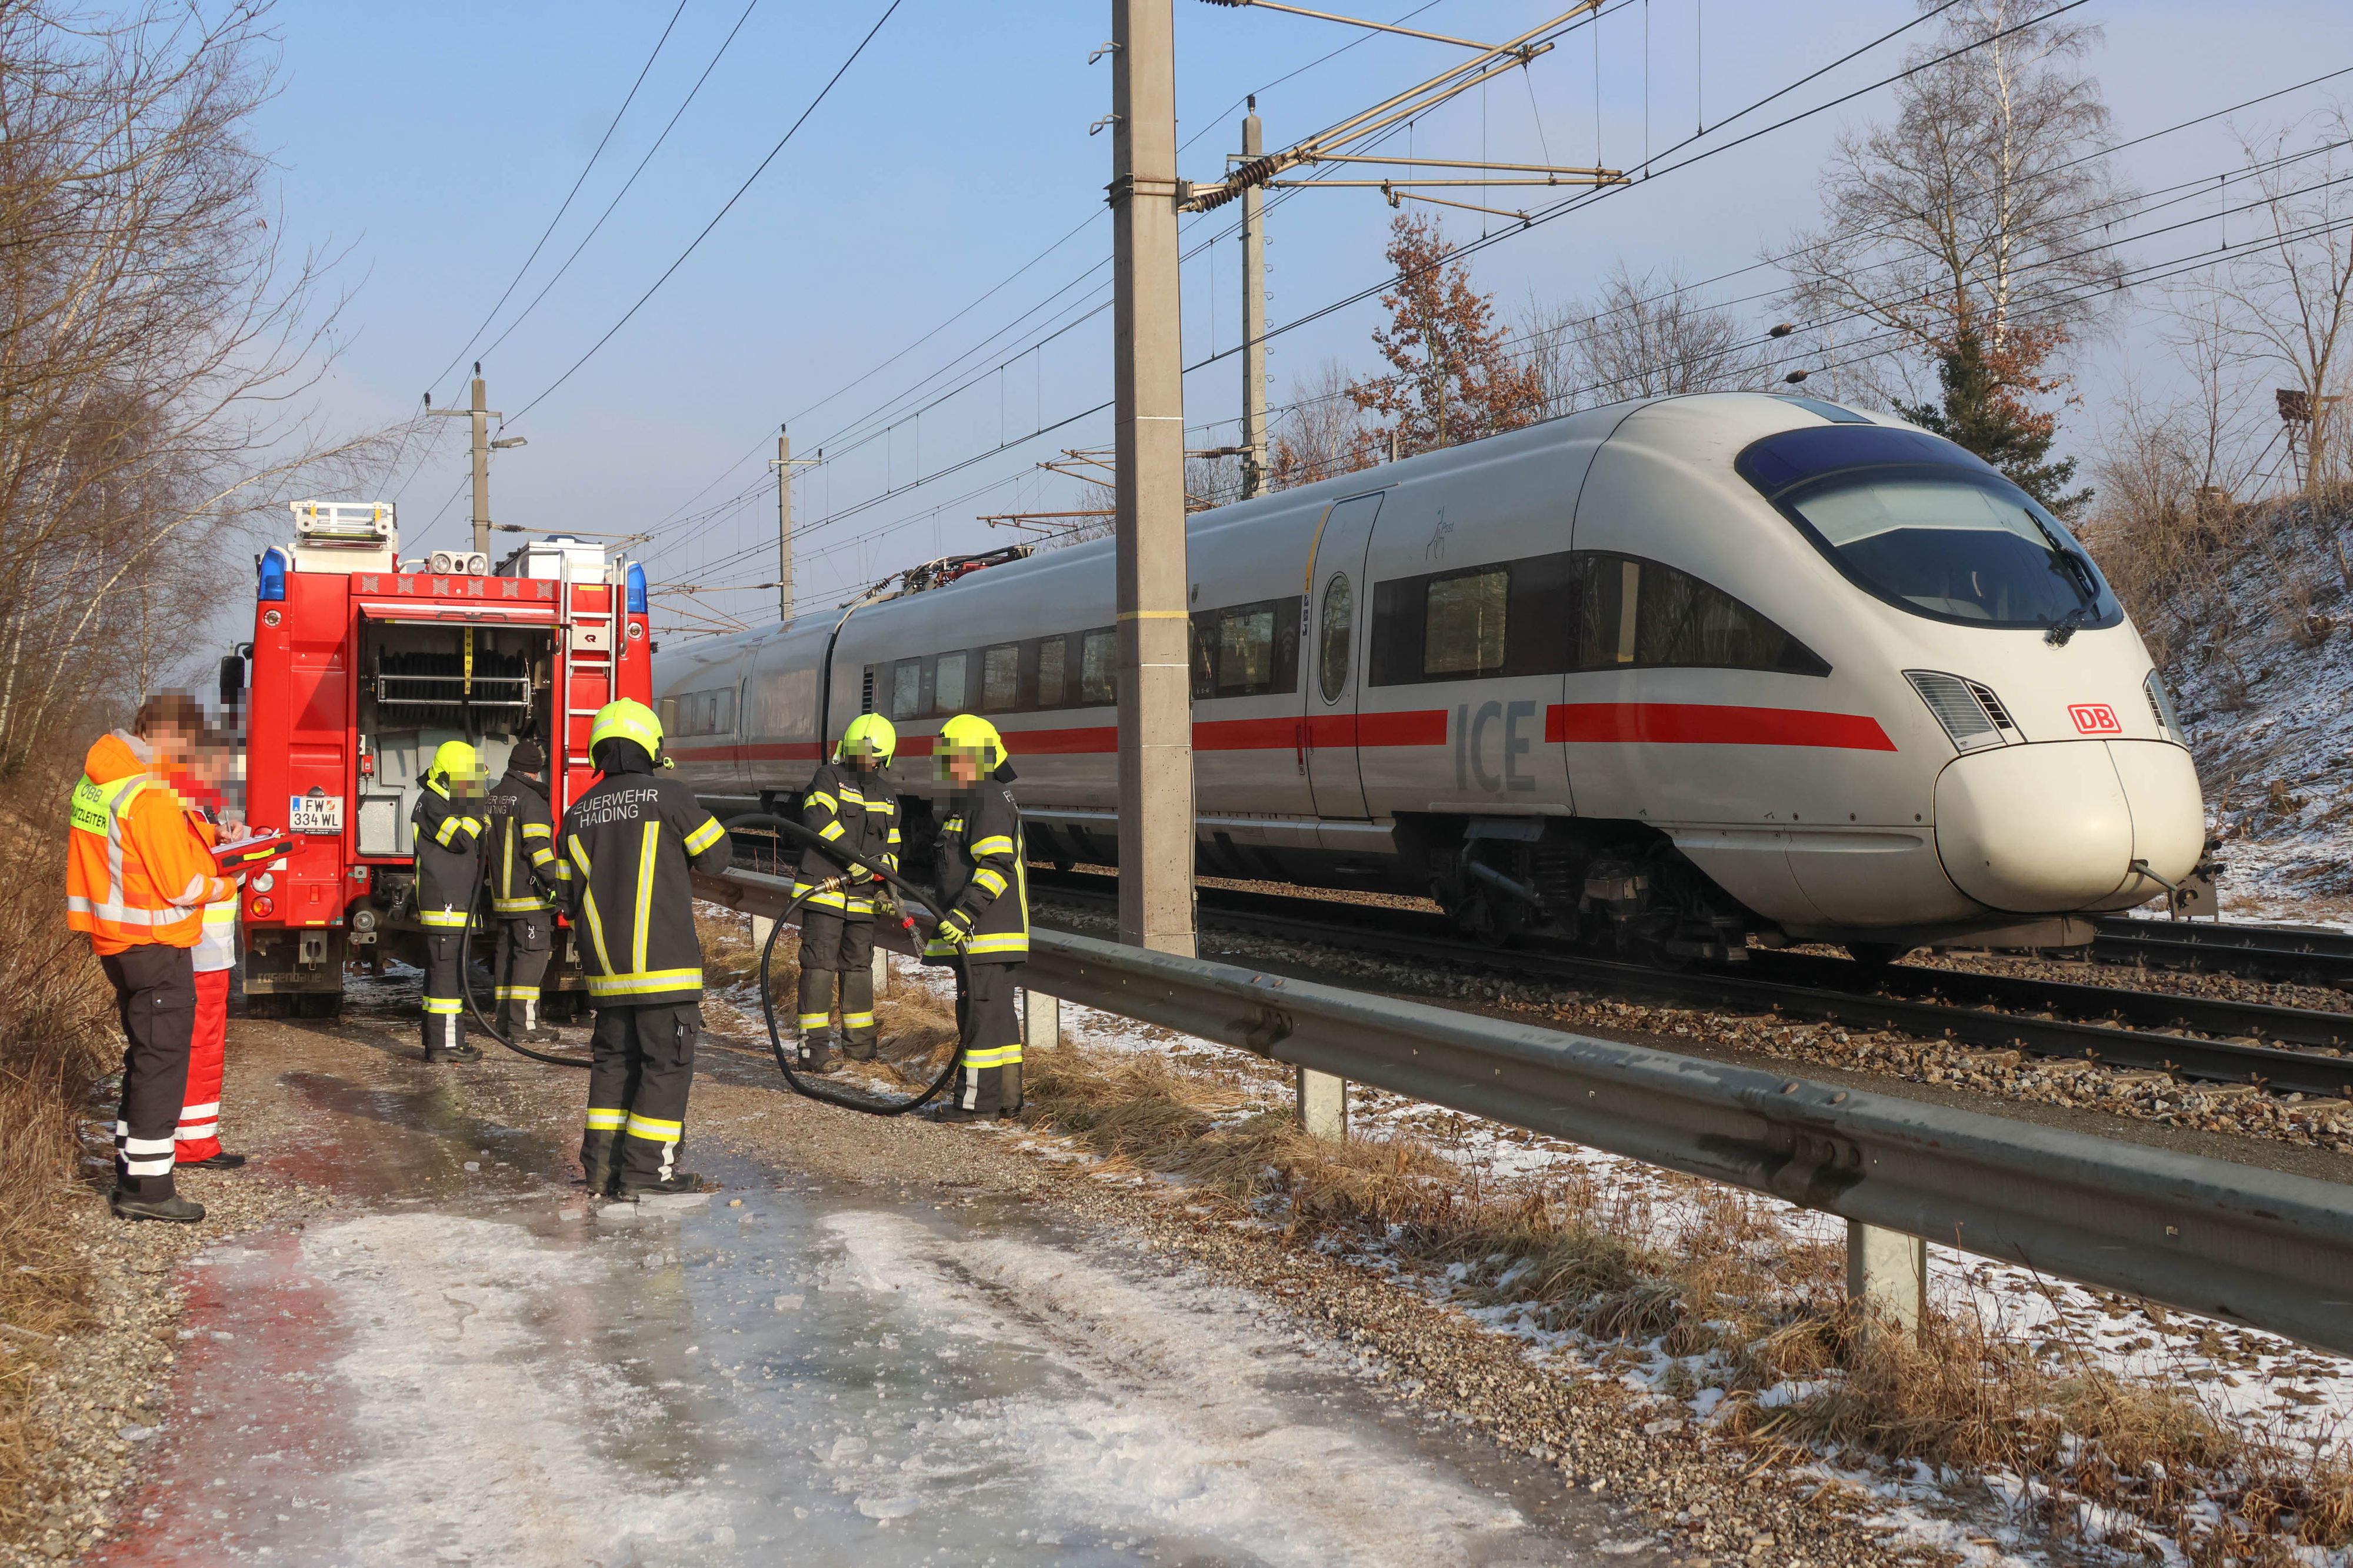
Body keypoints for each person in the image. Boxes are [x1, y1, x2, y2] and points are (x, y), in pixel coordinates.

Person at [66, 693, 240, 1222]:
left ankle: (133, 1170)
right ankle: (148, 1191)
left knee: (144, 1056)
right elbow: (181, 884)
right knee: (161, 1064)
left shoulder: (103, 781)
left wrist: (210, 834)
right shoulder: (150, 795)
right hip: (155, 945)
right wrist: (230, 876)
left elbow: (141, 851)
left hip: (117, 940)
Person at [554, 699, 732, 1199]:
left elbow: (566, 898)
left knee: (614, 1067)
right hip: (665, 972)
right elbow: (717, 858)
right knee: (666, 1068)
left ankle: (604, 1172)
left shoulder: (577, 813)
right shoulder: (670, 796)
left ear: (598, 752)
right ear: (652, 749)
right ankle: (648, 1177)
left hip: (607, 977)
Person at [922, 713, 1029, 1122]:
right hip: (989, 934)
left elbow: (996, 866)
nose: (946, 765)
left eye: (951, 756)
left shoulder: (984, 798)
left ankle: (974, 1106)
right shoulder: (979, 796)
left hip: (984, 933)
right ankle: (1006, 1099)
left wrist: (965, 914)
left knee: (979, 1020)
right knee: (997, 1018)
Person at [790, 712, 902, 1073]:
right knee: (820, 965)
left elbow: (894, 847)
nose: (867, 761)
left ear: (884, 758)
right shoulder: (829, 777)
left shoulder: (887, 795)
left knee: (858, 967)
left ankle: (860, 1049)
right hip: (824, 890)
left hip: (864, 896)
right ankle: (813, 1050)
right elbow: (817, 820)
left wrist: (888, 885)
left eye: (873, 756)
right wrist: (852, 862)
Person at [169, 727, 247, 1171]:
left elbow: (198, 851)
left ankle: (195, 1140)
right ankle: (191, 1145)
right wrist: (231, 879)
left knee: (202, 1045)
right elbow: (185, 881)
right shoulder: (170, 805)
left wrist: (228, 838)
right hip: (196, 948)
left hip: (206, 949)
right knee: (198, 1046)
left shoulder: (193, 806)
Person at [410, 739, 486, 1063]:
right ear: (447, 778)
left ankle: (437, 1041)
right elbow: (460, 840)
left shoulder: (440, 802)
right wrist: (475, 810)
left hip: (451, 903)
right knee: (446, 977)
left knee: (442, 973)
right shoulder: (431, 804)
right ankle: (446, 1046)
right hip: (445, 905)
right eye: (465, 782)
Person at [483, 738, 564, 1043]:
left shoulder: (492, 797)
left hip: (501, 901)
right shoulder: (531, 801)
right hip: (529, 900)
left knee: (507, 960)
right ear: (534, 772)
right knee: (531, 960)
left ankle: (505, 1021)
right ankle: (524, 1027)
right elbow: (539, 851)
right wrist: (557, 884)